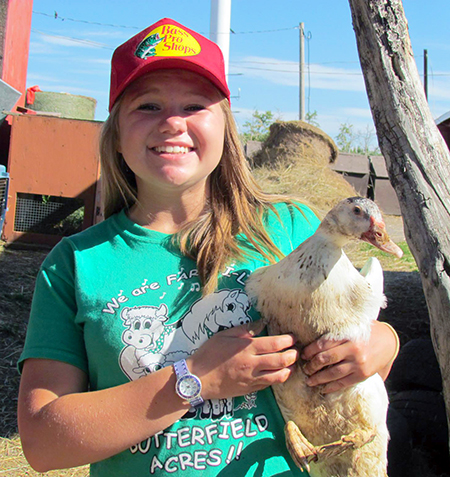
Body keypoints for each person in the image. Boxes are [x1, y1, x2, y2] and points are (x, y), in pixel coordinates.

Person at [17, 18, 399, 477]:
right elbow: (42, 444)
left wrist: (382, 345)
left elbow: (367, 341)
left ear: (226, 129)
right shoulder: (77, 264)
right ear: (117, 133)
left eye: (196, 105)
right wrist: (194, 379)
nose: (173, 122)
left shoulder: (293, 228)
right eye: (148, 105)